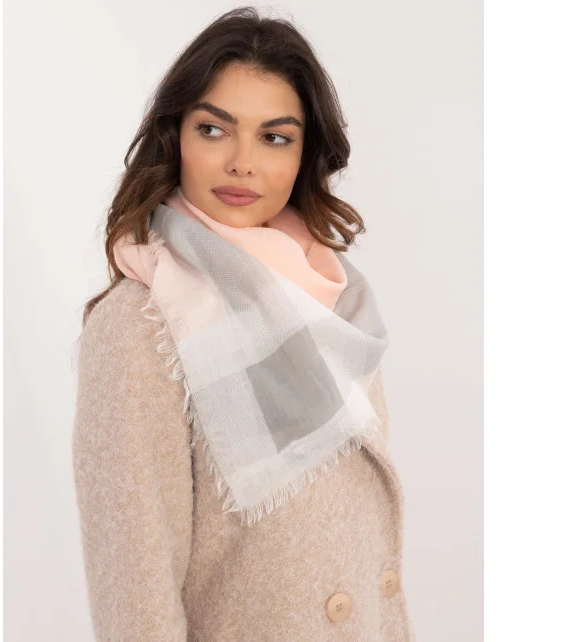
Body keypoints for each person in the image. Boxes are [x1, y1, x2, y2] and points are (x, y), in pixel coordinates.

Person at [72, 6, 415, 640]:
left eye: (274, 137)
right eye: (213, 130)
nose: (241, 162)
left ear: (305, 154)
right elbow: (136, 602)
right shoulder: (139, 328)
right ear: (176, 137)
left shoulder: (335, 300)